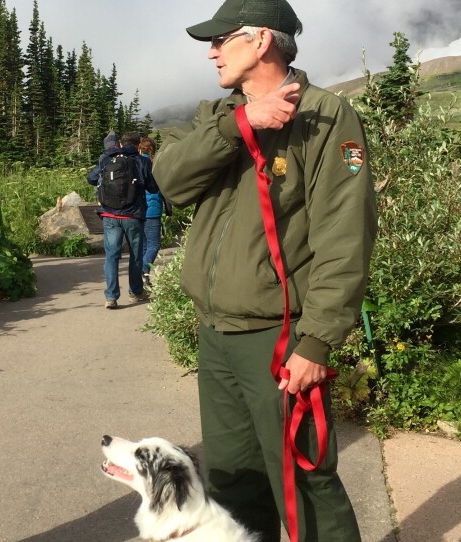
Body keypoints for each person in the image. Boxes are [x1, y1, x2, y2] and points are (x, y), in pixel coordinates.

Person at [152, 1, 377, 541]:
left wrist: (317, 340)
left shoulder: (325, 116)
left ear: (259, 42)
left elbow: (345, 236)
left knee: (304, 484)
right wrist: (239, 126)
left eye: (220, 40)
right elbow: (170, 181)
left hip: (279, 340)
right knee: (234, 483)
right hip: (217, 334)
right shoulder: (216, 115)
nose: (210, 52)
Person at [87, 131, 159, 309]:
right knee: (135, 255)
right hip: (133, 215)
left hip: (110, 215)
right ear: (137, 144)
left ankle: (111, 297)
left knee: (111, 256)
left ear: (121, 143)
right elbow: (152, 187)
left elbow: (91, 177)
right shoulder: (141, 161)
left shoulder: (107, 158)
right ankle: (135, 292)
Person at [137, 136, 172, 285]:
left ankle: (143, 277)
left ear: (140, 149)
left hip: (138, 209)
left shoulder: (135, 163)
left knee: (145, 246)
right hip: (153, 210)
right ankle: (141, 272)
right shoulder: (156, 164)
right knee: (154, 245)